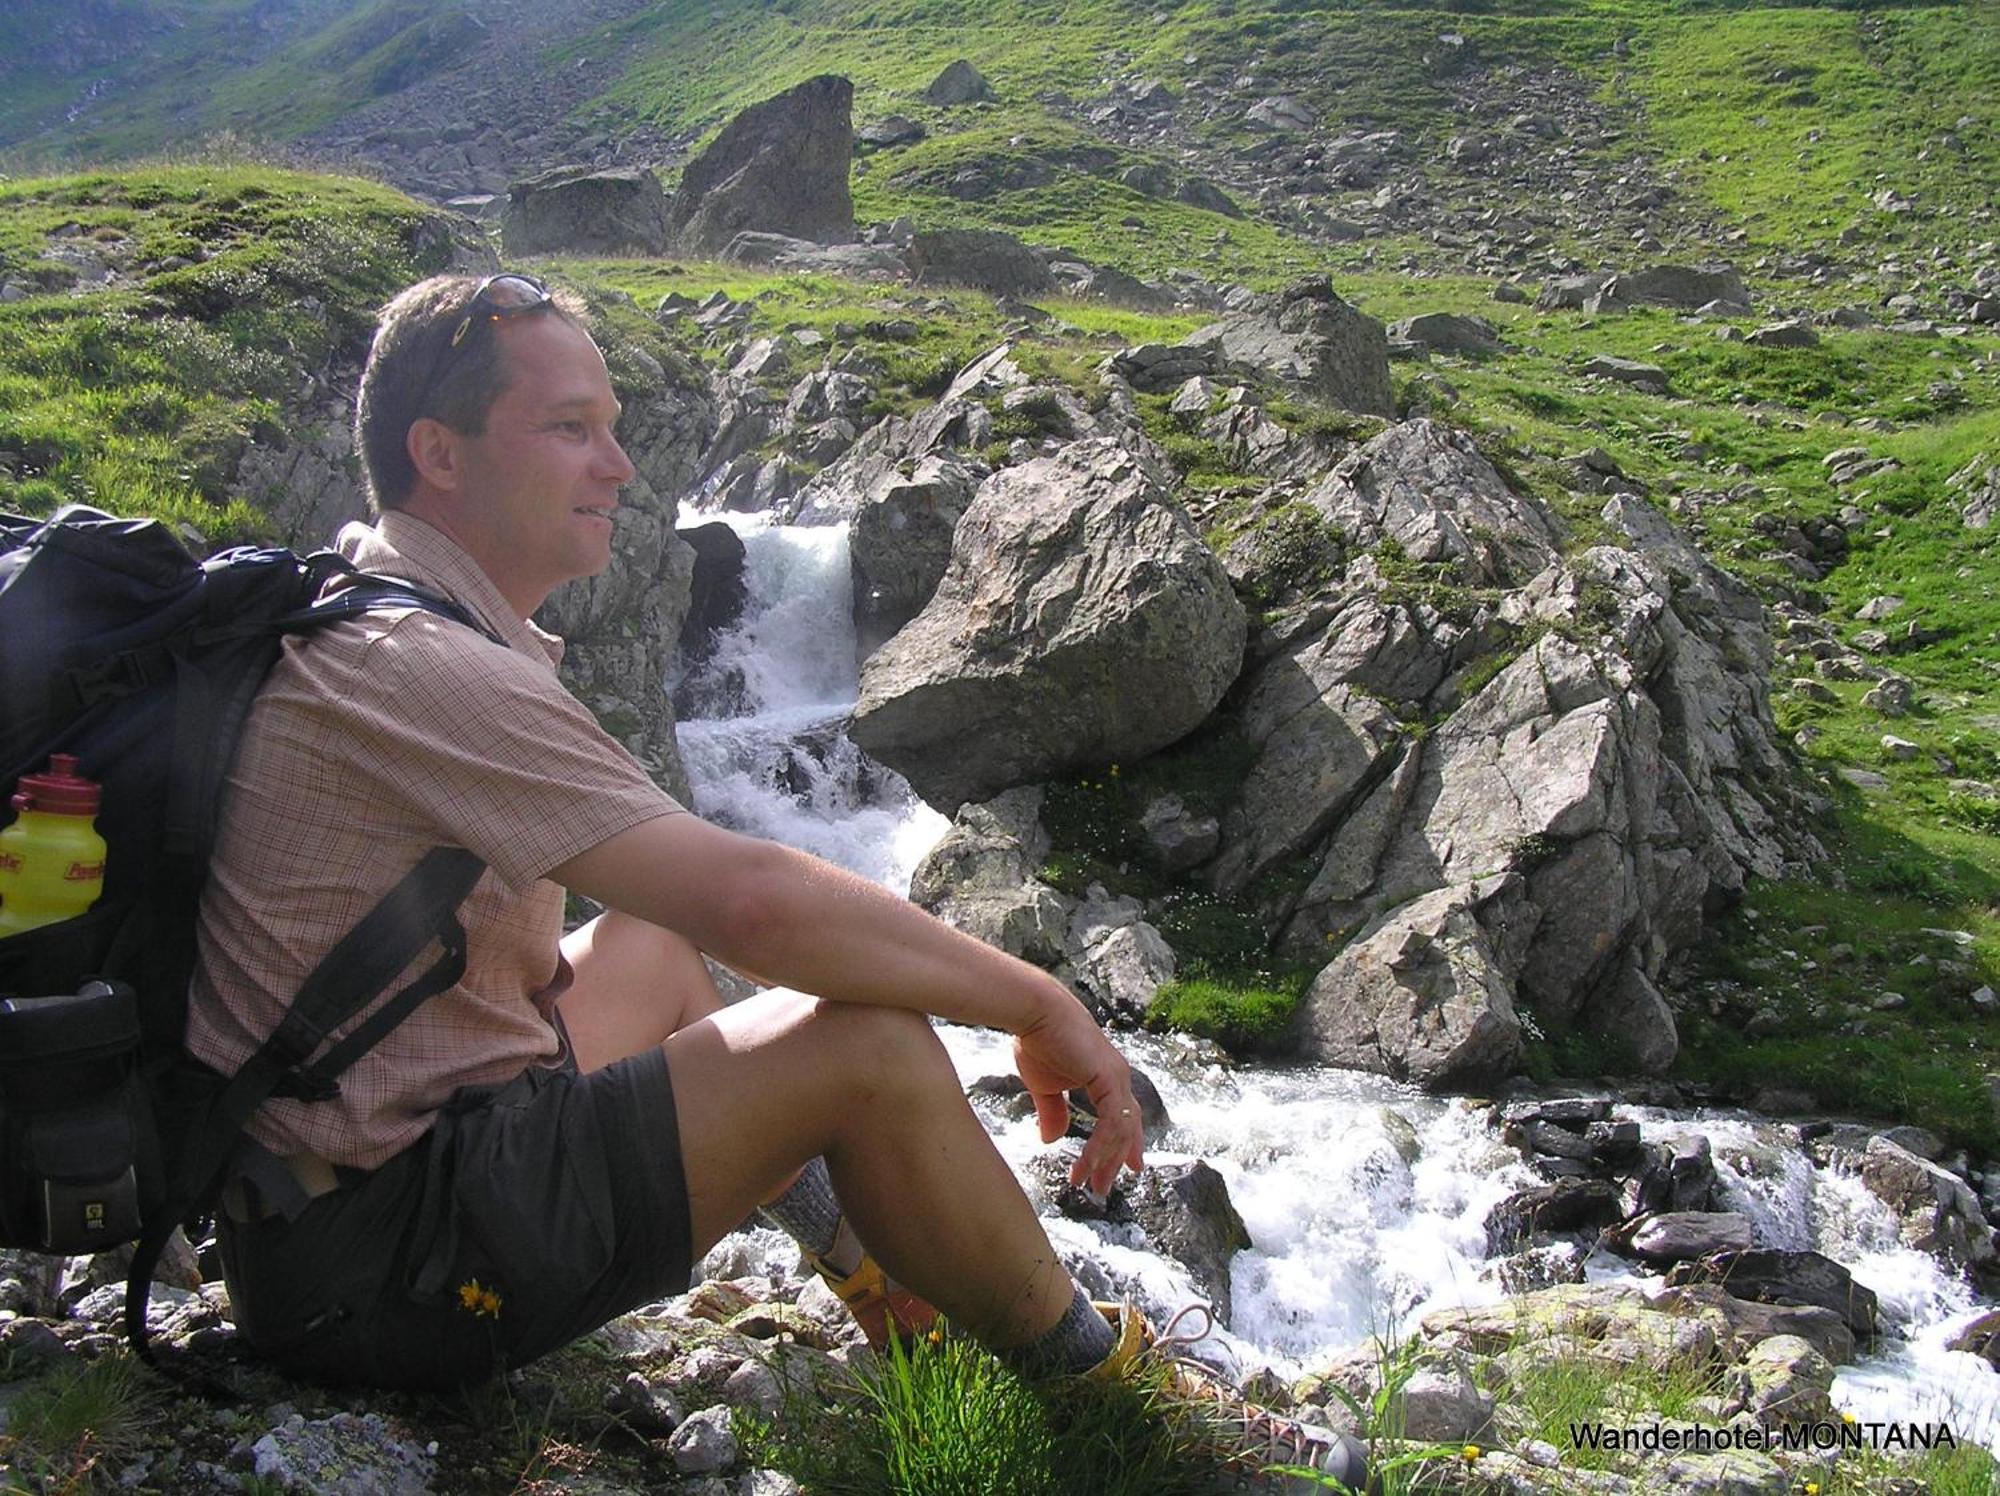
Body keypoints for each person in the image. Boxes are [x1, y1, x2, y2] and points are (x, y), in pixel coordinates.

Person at [186, 272, 1364, 1490]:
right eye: (570, 428)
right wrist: (1035, 1000)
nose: (620, 467)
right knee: (864, 1041)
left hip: (324, 1208)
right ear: (439, 451)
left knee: (645, 944)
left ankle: (897, 1306)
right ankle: (1131, 1413)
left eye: (613, 426)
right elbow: (755, 901)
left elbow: (693, 919)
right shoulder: (424, 665)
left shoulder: (372, 601)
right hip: (381, 1266)